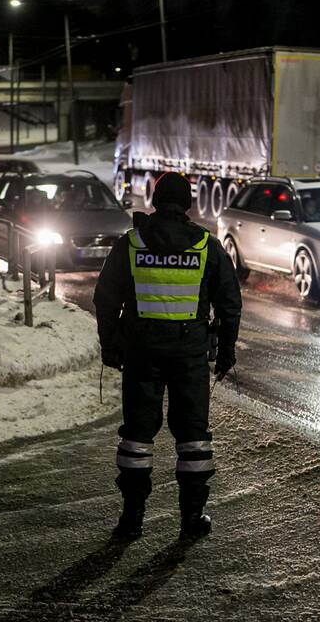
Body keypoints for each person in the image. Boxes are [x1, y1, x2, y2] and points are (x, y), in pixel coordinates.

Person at [93, 171, 242, 541]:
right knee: (192, 438)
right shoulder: (206, 247)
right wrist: (225, 351)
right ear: (188, 204)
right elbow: (229, 304)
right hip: (190, 355)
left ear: (155, 202)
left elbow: (106, 298)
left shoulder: (131, 244)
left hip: (141, 354)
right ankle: (192, 517)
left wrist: (109, 345)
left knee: (137, 438)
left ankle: (131, 518)